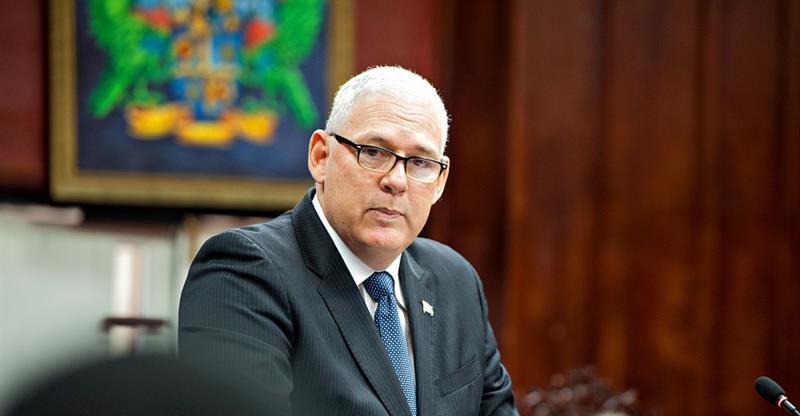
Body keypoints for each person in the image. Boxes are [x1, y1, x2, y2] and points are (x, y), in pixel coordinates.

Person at [179, 66, 516, 415]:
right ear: (320, 157)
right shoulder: (243, 272)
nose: (397, 181)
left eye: (419, 162)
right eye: (373, 152)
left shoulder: (455, 280)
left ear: (440, 182)